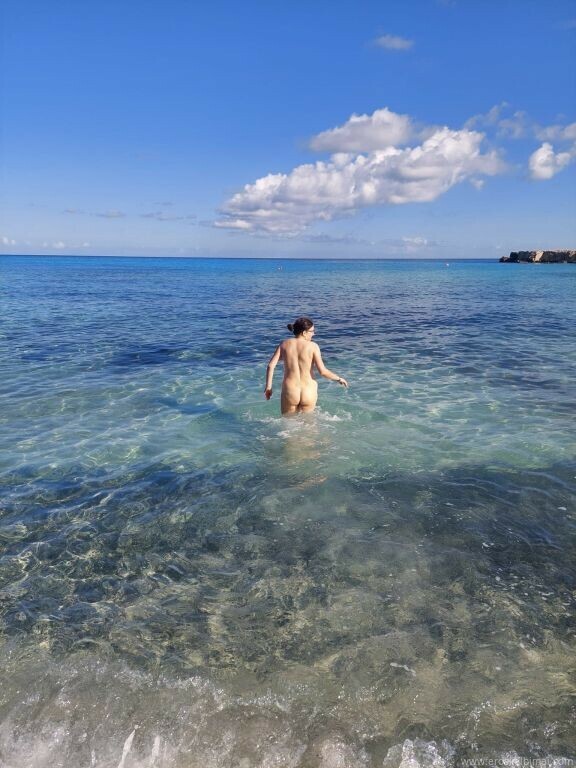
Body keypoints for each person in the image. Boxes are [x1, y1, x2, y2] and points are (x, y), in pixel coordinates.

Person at [264, 316, 348, 415]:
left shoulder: (284, 344)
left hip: (291, 391)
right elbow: (322, 371)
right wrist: (338, 379)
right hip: (309, 390)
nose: (313, 334)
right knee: (309, 423)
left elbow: (271, 366)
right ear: (304, 333)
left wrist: (268, 387)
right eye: (312, 331)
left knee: (288, 422)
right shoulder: (313, 346)